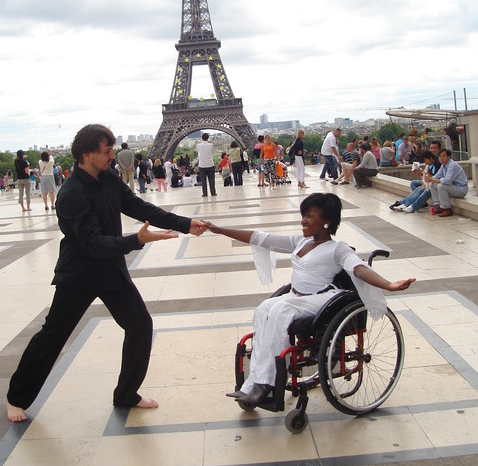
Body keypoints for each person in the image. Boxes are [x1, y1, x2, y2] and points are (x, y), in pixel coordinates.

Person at [6, 124, 207, 423]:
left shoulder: (108, 177)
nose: (113, 155)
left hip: (110, 269)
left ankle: (126, 394)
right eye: (107, 151)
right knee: (53, 336)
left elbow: (138, 206)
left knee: (140, 325)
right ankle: (16, 397)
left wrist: (184, 223)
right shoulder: (72, 193)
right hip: (79, 274)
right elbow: (93, 243)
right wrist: (136, 240)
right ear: (86, 155)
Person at [205, 192, 415, 406]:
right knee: (263, 309)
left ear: (326, 221)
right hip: (295, 297)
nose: (303, 220)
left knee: (280, 311)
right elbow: (260, 237)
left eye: (309, 216)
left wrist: (389, 285)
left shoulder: (337, 248)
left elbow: (358, 269)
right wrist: (219, 230)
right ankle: (252, 383)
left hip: (320, 300)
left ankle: (267, 384)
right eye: (303, 215)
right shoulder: (300, 241)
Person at [425, 149, 468, 217]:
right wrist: (428, 179)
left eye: (443, 156)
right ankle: (438, 205)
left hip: (461, 189)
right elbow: (436, 176)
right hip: (453, 187)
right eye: (440, 157)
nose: (441, 158)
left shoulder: (452, 165)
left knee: (441, 186)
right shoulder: (443, 166)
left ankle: (447, 209)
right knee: (433, 184)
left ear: (448, 157)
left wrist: (432, 179)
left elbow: (447, 180)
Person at [196, 133, 217, 197]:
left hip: (202, 165)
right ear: (208, 138)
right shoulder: (210, 145)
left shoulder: (198, 145)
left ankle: (205, 193)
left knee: (203, 180)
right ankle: (213, 192)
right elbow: (212, 152)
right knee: (211, 180)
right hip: (210, 164)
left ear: (202, 138)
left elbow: (198, 152)